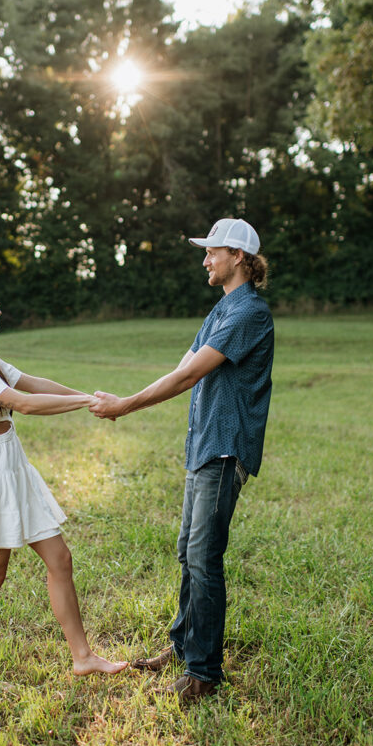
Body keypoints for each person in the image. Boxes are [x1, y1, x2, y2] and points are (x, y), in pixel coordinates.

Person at [89, 217, 273, 704]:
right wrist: (125, 397)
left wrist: (125, 405)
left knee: (204, 557)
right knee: (188, 555)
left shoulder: (249, 313)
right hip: (203, 446)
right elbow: (180, 366)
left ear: (237, 257)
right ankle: (184, 648)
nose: (205, 259)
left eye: (212, 251)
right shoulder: (222, 309)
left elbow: (190, 375)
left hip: (225, 446)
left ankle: (204, 672)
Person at [0, 284, 128, 691]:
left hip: (14, 465)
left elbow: (34, 384)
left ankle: (83, 658)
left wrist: (88, 396)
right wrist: (86, 404)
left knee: (59, 558)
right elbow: (24, 404)